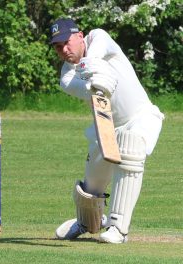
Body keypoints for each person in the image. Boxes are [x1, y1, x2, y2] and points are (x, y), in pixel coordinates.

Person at [49, 18, 164, 243]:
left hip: (139, 117)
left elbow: (97, 56)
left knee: (130, 150)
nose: (64, 49)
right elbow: (93, 89)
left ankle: (118, 229)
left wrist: (92, 67)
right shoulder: (66, 77)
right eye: (57, 46)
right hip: (106, 127)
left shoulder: (99, 37)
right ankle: (88, 221)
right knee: (90, 190)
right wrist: (95, 80)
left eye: (67, 42)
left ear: (80, 36)